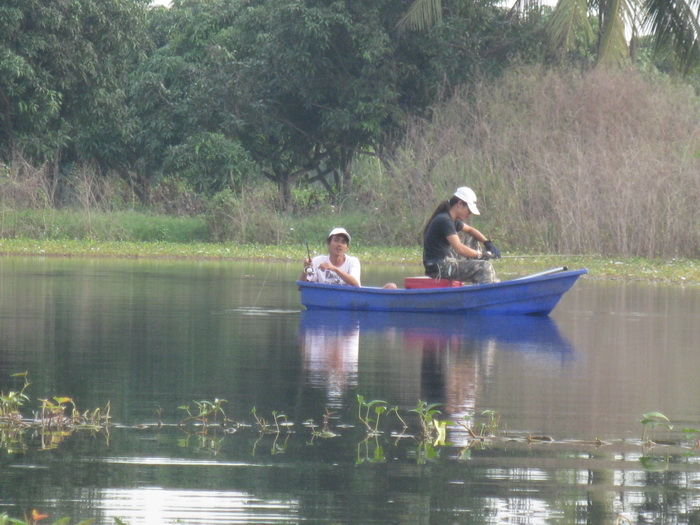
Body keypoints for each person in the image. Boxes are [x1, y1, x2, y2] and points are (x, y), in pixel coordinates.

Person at [422, 186, 501, 284]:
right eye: (469, 210)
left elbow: (471, 230)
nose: (470, 214)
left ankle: (488, 283)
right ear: (460, 204)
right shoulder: (444, 220)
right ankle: (486, 292)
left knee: (473, 238)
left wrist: (487, 243)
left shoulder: (452, 220)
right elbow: (459, 248)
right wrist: (479, 255)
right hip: (438, 266)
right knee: (484, 267)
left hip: (443, 262)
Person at [300, 227, 397, 289]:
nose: (340, 245)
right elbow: (300, 287)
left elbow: (356, 284)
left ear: (347, 247)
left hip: (351, 301)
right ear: (329, 244)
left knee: (391, 287)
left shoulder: (352, 261)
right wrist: (305, 269)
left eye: (343, 242)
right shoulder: (318, 261)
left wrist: (334, 268)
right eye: (336, 240)